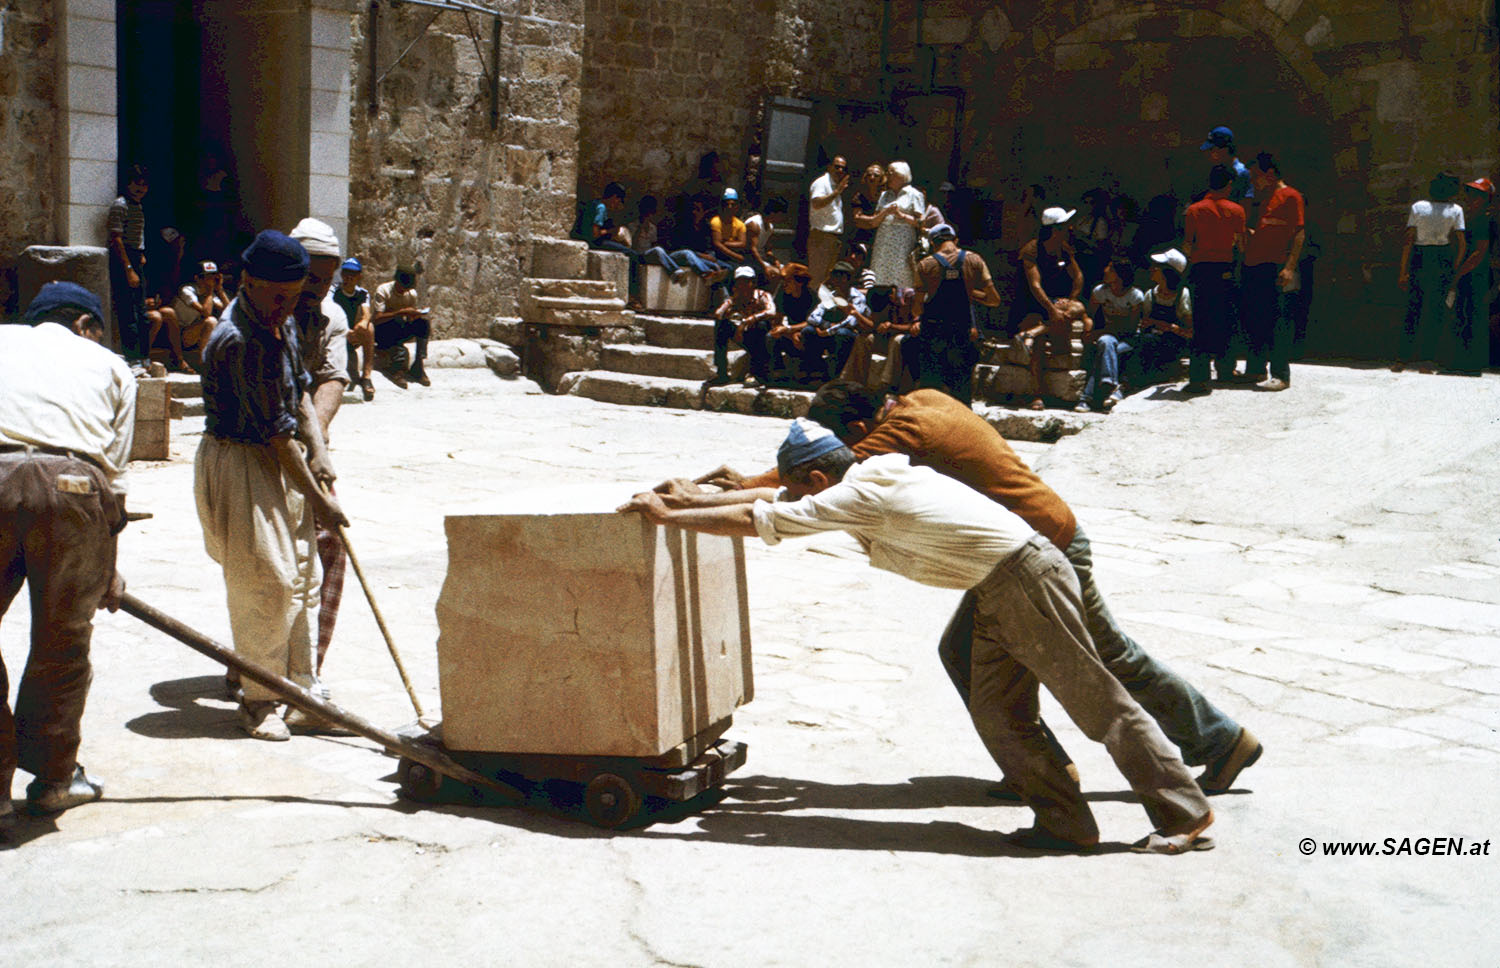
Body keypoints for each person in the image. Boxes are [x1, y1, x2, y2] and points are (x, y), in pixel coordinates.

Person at [633, 418, 1218, 854]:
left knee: (1096, 702)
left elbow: (762, 520)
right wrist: (694, 498)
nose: (797, 499)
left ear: (818, 477)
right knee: (998, 711)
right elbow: (778, 500)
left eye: (802, 489)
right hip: (999, 586)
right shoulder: (872, 475)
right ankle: (1066, 823)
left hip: (1026, 578)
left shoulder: (861, 494)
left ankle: (1183, 815)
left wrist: (668, 517)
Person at [690, 381, 1258, 802]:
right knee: (965, 651)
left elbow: (824, 477)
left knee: (1107, 656)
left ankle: (1220, 742)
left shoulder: (901, 435)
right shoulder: (923, 398)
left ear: (861, 430)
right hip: (1015, 555)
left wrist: (744, 485)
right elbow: (827, 467)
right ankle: (1039, 770)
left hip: (1044, 550)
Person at [195, 230, 348, 741]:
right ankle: (260, 699)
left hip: (276, 456)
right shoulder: (239, 338)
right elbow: (277, 435)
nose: (285, 305)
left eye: (293, 295)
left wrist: (320, 452)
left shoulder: (276, 324)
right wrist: (318, 500)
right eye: (276, 295)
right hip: (240, 459)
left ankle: (302, 691)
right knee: (268, 580)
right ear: (247, 282)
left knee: (304, 577)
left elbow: (300, 394)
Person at [0, 282, 134, 822]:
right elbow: (115, 482)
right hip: (75, 487)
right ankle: (55, 779)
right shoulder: (110, 365)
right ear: (84, 325)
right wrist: (110, 567)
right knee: (63, 640)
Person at [288, 218, 358, 695]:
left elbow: (332, 378)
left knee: (329, 547)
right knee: (275, 565)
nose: (320, 288)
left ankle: (307, 670)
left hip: (306, 440)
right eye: (311, 277)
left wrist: (317, 443)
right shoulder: (259, 313)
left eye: (327, 278)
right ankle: (257, 672)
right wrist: (306, 443)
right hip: (256, 446)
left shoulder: (332, 316)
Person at [909, 223, 1000, 405]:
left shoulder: (925, 265)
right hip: (962, 335)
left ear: (933, 244)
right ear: (955, 240)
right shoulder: (975, 260)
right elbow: (994, 299)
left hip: (933, 336)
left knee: (931, 394)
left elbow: (917, 308)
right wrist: (970, 292)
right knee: (962, 394)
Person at [1241, 152, 1305, 391]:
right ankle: (1256, 368)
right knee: (1257, 318)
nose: (1253, 181)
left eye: (1255, 176)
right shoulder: (1262, 198)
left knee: (1279, 319)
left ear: (1269, 173)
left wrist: (1290, 267)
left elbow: (1298, 232)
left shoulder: (1290, 196)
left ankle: (1280, 374)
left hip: (1277, 265)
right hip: (1255, 264)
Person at [1182, 165, 1246, 393]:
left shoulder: (1194, 210)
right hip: (1226, 271)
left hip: (1201, 271)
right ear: (1229, 185)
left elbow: (1188, 246)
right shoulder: (1237, 210)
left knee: (1201, 322)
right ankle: (1226, 368)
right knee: (1226, 320)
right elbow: (1240, 244)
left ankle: (1198, 377)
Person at [1396, 172, 1467, 373]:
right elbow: (1461, 243)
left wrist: (1403, 270)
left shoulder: (1420, 207)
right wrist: (1454, 267)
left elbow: (1408, 240)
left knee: (1416, 307)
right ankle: (1423, 359)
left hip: (1422, 255)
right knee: (1430, 309)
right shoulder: (1454, 210)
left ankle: (1406, 357)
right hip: (1439, 256)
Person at [1017, 208, 1085, 410]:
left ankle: (1035, 331)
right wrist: (1052, 309)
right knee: (1037, 346)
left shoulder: (1063, 249)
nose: (1069, 229)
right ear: (1055, 229)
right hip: (1033, 305)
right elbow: (1035, 286)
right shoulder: (1031, 250)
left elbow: (1078, 276)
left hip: (1056, 303)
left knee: (1078, 307)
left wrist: (1068, 301)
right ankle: (1037, 395)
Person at [1078, 257, 1147, 411]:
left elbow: (1130, 326)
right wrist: (1088, 328)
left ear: (1119, 274)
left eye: (1110, 268)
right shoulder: (1101, 292)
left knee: (1106, 351)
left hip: (1129, 338)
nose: (1105, 270)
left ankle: (1086, 398)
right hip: (1109, 335)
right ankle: (1111, 385)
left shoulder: (1135, 296)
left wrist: (1100, 332)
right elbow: (1089, 314)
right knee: (1105, 343)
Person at [1127, 249, 1195, 389]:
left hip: (1173, 343)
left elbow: (1190, 331)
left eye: (1157, 267)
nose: (1152, 269)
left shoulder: (1183, 295)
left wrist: (1166, 326)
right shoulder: (1151, 294)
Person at [107, 164, 152, 363]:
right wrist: (128, 268)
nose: (139, 189)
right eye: (136, 184)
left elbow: (137, 232)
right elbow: (116, 238)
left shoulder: (138, 206)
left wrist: (141, 253)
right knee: (128, 311)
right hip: (124, 259)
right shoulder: (121, 205)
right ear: (128, 184)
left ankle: (144, 356)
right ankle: (133, 357)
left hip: (135, 256)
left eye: (144, 185)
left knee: (141, 311)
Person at [802, 262, 871, 382]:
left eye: (836, 276)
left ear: (845, 278)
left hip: (847, 335)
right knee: (808, 331)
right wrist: (826, 325)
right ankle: (815, 370)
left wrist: (828, 331)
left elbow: (851, 322)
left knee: (843, 333)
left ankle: (837, 375)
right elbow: (812, 317)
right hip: (829, 332)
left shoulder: (857, 297)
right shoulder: (831, 296)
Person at [1453, 177, 1494, 374]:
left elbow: (1479, 252)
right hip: (1470, 275)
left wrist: (1458, 274)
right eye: (1470, 194)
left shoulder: (1483, 220)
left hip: (1477, 276)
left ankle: (1471, 362)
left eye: (1477, 196)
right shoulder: (1474, 218)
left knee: (1473, 315)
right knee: (1465, 314)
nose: (1471, 199)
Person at [710, 266, 776, 387]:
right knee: (721, 326)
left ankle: (758, 374)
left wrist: (748, 320)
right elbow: (718, 314)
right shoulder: (736, 299)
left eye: (747, 282)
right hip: (745, 335)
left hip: (763, 338)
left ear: (753, 283)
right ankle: (722, 372)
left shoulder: (762, 295)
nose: (743, 286)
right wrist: (732, 301)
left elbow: (771, 311)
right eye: (740, 282)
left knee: (761, 325)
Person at [369, 265, 432, 388]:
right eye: (402, 287)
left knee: (423, 324)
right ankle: (396, 369)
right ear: (396, 281)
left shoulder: (411, 294)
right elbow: (376, 319)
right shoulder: (383, 290)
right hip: (382, 332)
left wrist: (416, 314)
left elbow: (409, 319)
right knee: (396, 321)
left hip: (399, 329)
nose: (404, 290)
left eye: (407, 288)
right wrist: (399, 312)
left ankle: (418, 366)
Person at [867, 160, 925, 291]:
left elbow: (921, 222)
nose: (887, 175)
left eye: (891, 172)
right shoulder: (885, 195)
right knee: (880, 275)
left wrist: (901, 215)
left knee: (901, 275)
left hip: (902, 241)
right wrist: (885, 212)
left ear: (901, 175)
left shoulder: (914, 194)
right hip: (883, 239)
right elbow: (874, 220)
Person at [587, 181, 644, 309]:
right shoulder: (601, 208)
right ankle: (632, 296)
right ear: (614, 198)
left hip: (594, 241)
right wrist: (610, 231)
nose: (617, 204)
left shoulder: (594, 204)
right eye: (618, 201)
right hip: (595, 242)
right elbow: (595, 233)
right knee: (633, 255)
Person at [332, 258, 376, 400]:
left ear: (359, 277)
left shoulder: (362, 293)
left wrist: (362, 324)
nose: (348, 278)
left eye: (353, 274)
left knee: (369, 328)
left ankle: (367, 376)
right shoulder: (334, 291)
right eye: (345, 273)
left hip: (352, 335)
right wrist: (345, 331)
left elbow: (366, 313)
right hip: (337, 334)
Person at [172, 260, 229, 366]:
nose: (210, 280)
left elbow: (229, 311)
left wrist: (220, 290)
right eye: (206, 277)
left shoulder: (209, 292)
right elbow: (206, 313)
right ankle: (203, 363)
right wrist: (210, 291)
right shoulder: (187, 290)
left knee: (219, 323)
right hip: (179, 335)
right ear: (197, 278)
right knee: (211, 321)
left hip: (196, 333)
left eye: (213, 277)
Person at [807, 156, 849, 293]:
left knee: (826, 279)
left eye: (843, 168)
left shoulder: (835, 186)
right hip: (821, 237)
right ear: (830, 167)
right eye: (837, 166)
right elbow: (816, 203)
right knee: (817, 278)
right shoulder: (822, 183)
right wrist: (837, 192)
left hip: (832, 238)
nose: (840, 170)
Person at [767, 263, 816, 382]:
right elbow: (777, 321)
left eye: (787, 281)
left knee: (808, 333)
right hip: (791, 334)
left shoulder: (811, 296)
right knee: (771, 336)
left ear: (799, 282)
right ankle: (778, 370)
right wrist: (788, 332)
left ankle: (808, 370)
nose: (784, 284)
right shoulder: (783, 295)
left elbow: (812, 321)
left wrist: (790, 329)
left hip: (805, 333)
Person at [1199, 126, 1253, 205]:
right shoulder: (1215, 168)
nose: (1210, 154)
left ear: (1225, 149)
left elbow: (1246, 204)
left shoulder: (1241, 172)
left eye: (1213, 150)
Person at [709, 187, 750, 284]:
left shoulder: (740, 224)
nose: (730, 207)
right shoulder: (716, 221)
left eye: (733, 204)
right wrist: (736, 256)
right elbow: (717, 245)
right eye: (727, 204)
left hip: (730, 256)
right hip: (719, 255)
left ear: (737, 207)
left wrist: (725, 242)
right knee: (731, 269)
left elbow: (742, 244)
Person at [744, 196, 787, 284]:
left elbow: (768, 250)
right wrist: (765, 267)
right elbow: (752, 249)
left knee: (787, 271)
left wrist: (775, 261)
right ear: (774, 213)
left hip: (762, 259)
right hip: (750, 259)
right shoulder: (754, 224)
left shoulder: (770, 227)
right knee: (776, 274)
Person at [850, 163, 885, 249]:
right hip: (862, 238)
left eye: (876, 175)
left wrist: (869, 221)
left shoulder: (886, 196)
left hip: (881, 237)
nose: (872, 178)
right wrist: (875, 220)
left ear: (881, 179)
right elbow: (857, 219)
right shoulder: (859, 196)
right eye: (869, 175)